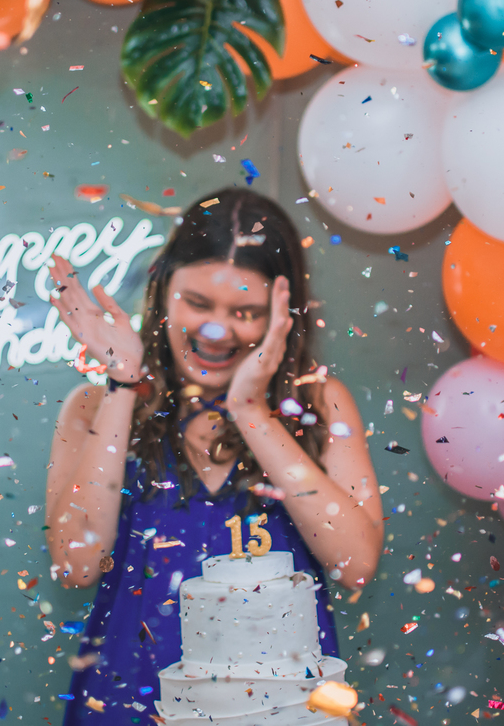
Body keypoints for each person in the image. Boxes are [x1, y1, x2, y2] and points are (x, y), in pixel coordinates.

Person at [45, 188, 383, 724]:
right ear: (162, 290)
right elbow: (76, 565)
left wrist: (253, 412)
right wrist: (122, 385)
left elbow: (356, 565)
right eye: (197, 303)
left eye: (244, 312)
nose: (215, 330)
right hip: (128, 701)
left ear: (282, 312)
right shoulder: (93, 406)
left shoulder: (319, 402)